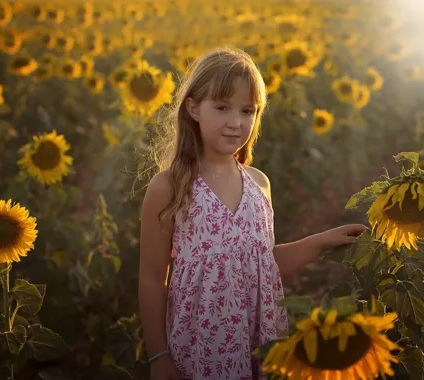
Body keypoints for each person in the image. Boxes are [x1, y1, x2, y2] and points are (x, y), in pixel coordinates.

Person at [138, 46, 366, 380]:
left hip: (259, 341)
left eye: (248, 111)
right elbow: (151, 277)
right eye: (222, 107)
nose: (236, 122)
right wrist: (158, 355)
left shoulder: (259, 185)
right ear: (193, 108)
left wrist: (322, 242)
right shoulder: (170, 186)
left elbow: (262, 264)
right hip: (201, 347)